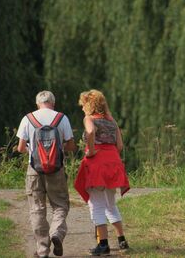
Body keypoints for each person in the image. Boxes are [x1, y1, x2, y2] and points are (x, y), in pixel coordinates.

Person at [17, 90, 77, 258]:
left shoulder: (28, 119)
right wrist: (57, 150)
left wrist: (33, 151)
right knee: (60, 205)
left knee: (37, 209)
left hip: (34, 170)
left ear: (37, 104)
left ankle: (43, 251)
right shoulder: (61, 118)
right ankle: (56, 233)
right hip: (56, 170)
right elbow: (71, 146)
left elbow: (20, 148)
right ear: (53, 103)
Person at [74, 89, 130, 256]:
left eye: (83, 105)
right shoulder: (112, 121)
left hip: (97, 164)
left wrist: (91, 151)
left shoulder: (89, 119)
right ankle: (122, 241)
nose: (82, 108)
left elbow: (90, 132)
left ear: (88, 105)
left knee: (96, 204)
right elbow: (119, 146)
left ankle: (103, 245)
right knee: (110, 204)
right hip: (113, 162)